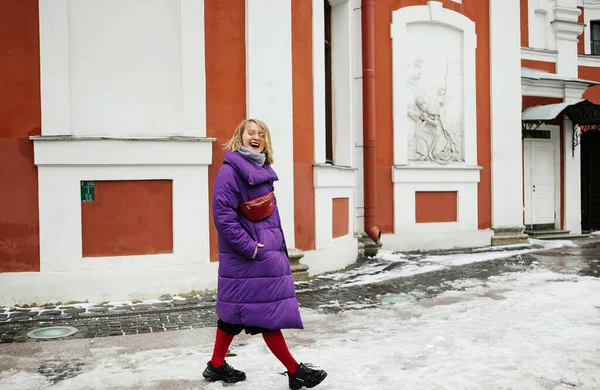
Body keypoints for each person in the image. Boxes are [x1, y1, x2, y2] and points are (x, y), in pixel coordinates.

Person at [202, 119, 327, 389]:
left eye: (261, 134)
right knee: (266, 314)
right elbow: (223, 218)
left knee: (233, 315)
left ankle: (215, 365)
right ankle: (295, 371)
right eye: (251, 132)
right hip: (248, 257)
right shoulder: (230, 172)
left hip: (261, 255)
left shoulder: (262, 170)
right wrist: (249, 247)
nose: (256, 137)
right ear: (240, 137)